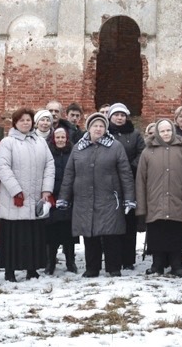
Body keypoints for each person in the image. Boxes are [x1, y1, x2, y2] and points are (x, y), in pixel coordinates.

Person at [61, 112, 135, 277]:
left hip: (109, 198)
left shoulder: (115, 147)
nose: (98, 129)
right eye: (95, 126)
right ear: (89, 128)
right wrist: (64, 198)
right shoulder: (78, 148)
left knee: (111, 234)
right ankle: (92, 268)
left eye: (102, 126)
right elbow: (69, 174)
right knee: (90, 234)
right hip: (84, 198)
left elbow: (126, 174)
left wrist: (129, 199)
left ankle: (113, 267)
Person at [0, 108, 55, 281]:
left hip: (35, 197)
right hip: (14, 198)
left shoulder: (40, 142)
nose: (25, 123)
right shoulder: (8, 142)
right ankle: (10, 270)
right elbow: (3, 167)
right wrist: (16, 190)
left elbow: (49, 165)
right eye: (21, 120)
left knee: (32, 235)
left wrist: (46, 190)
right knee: (13, 235)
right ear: (15, 123)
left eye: (28, 120)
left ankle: (32, 268)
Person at [136, 119, 182, 278]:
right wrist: (141, 207)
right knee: (157, 235)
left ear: (173, 131)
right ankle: (157, 264)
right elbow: (141, 180)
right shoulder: (147, 152)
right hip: (154, 201)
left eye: (168, 130)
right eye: (162, 131)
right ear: (157, 132)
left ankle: (177, 265)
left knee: (175, 234)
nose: (166, 133)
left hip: (177, 201)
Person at [106, 102, 145, 270]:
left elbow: (142, 153)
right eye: (116, 115)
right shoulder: (106, 134)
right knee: (113, 220)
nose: (120, 118)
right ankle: (113, 257)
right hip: (110, 181)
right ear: (110, 117)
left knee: (129, 221)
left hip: (130, 179)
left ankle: (128, 259)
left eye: (122, 115)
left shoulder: (135, 134)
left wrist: (129, 166)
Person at [45, 125, 77, 273]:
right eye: (57, 137)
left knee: (69, 234)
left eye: (62, 137)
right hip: (53, 196)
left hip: (69, 197)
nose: (60, 140)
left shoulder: (73, 152)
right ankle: (50, 263)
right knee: (52, 234)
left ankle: (71, 262)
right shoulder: (48, 153)